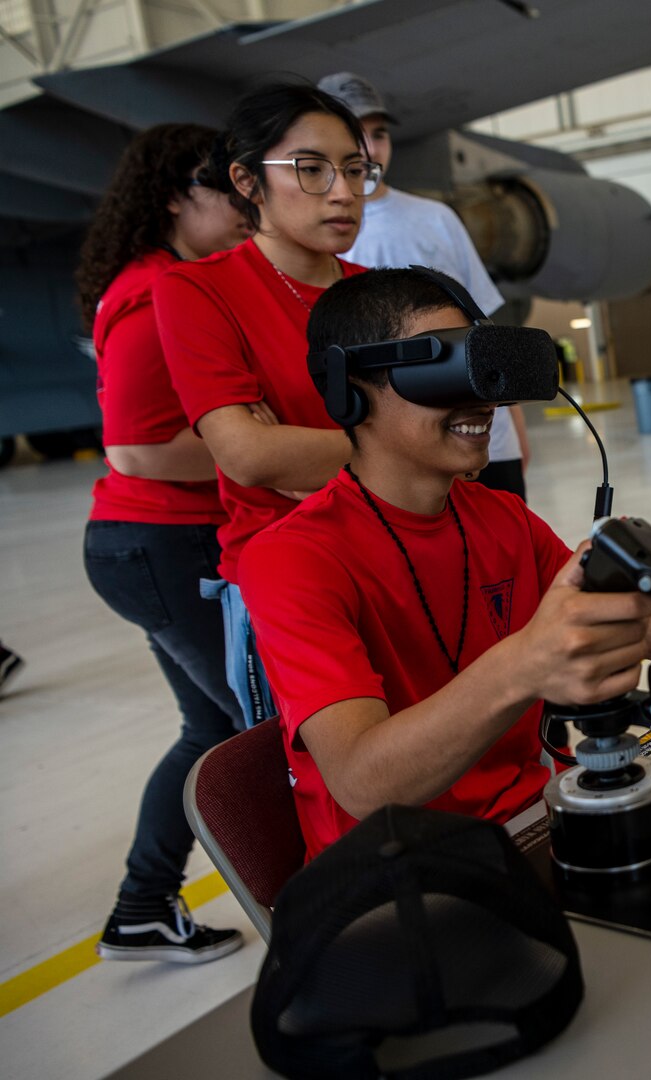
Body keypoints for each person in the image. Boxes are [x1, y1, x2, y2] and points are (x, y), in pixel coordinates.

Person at [236, 268, 651, 859]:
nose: (482, 401)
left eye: (484, 369)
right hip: (405, 878)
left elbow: (646, 629)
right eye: (446, 371)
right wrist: (524, 663)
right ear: (350, 389)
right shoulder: (291, 560)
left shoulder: (498, 518)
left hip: (538, 829)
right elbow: (364, 782)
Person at [75, 124, 255, 962]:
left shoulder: (162, 281)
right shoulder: (156, 294)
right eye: (227, 187)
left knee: (210, 730)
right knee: (253, 723)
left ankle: (142, 908)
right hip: (156, 545)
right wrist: (258, 445)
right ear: (178, 196)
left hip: (146, 545)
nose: (245, 201)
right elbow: (136, 448)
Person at [156, 82, 376, 727]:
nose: (343, 191)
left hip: (404, 562)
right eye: (310, 170)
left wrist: (305, 451)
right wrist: (398, 446)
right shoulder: (200, 290)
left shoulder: (386, 296)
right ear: (248, 182)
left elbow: (459, 444)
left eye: (356, 170)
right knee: (329, 793)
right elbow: (248, 455)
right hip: (290, 582)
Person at [316, 71, 531, 501]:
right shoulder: (328, 235)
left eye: (379, 134)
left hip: (481, 434)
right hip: (399, 447)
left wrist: (514, 428)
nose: (371, 148)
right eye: (355, 135)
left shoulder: (435, 218)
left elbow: (482, 324)